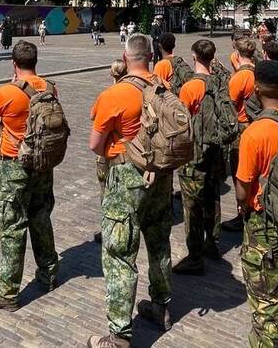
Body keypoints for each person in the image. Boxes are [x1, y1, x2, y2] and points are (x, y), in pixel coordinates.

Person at [88, 34, 172, 348]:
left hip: (127, 176)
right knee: (159, 240)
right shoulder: (165, 88)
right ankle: (162, 305)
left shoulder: (117, 93)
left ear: (125, 57)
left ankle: (119, 334)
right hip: (161, 174)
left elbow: (95, 144)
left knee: (120, 253)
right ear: (151, 56)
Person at [0, 41, 60, 311]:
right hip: (43, 164)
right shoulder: (49, 87)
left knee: (12, 227)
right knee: (40, 217)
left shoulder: (6, 92)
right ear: (36, 62)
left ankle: (8, 292)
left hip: (15, 165)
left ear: (14, 64)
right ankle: (49, 274)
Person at [235, 60, 278, 346]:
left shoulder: (255, 132)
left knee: (265, 297)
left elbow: (243, 187)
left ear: (257, 88)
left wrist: (243, 206)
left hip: (264, 221)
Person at [174, 39, 224, 275]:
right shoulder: (220, 81)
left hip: (194, 153)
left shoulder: (191, 87)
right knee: (213, 196)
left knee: (192, 205)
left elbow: (181, 123)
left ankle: (194, 257)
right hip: (216, 149)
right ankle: (212, 243)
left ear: (194, 56)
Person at [221, 36, 257, 233]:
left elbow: (229, 105)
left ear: (237, 52)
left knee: (240, 172)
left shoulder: (240, 77)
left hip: (241, 127)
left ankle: (243, 212)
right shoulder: (257, 70)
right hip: (255, 124)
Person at [91, 59, 129, 244]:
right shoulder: (135, 91)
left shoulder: (107, 95)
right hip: (133, 152)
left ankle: (109, 228)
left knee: (106, 191)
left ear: (111, 74)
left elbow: (93, 116)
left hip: (111, 152)